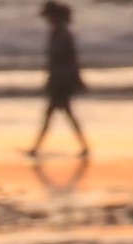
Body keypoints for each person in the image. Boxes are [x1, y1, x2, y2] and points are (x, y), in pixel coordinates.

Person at [27, 1, 89, 158]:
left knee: (52, 114)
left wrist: (71, 78)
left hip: (61, 80)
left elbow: (67, 59)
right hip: (59, 78)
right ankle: (83, 146)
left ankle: (36, 148)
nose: (47, 20)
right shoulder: (59, 33)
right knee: (64, 114)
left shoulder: (62, 34)